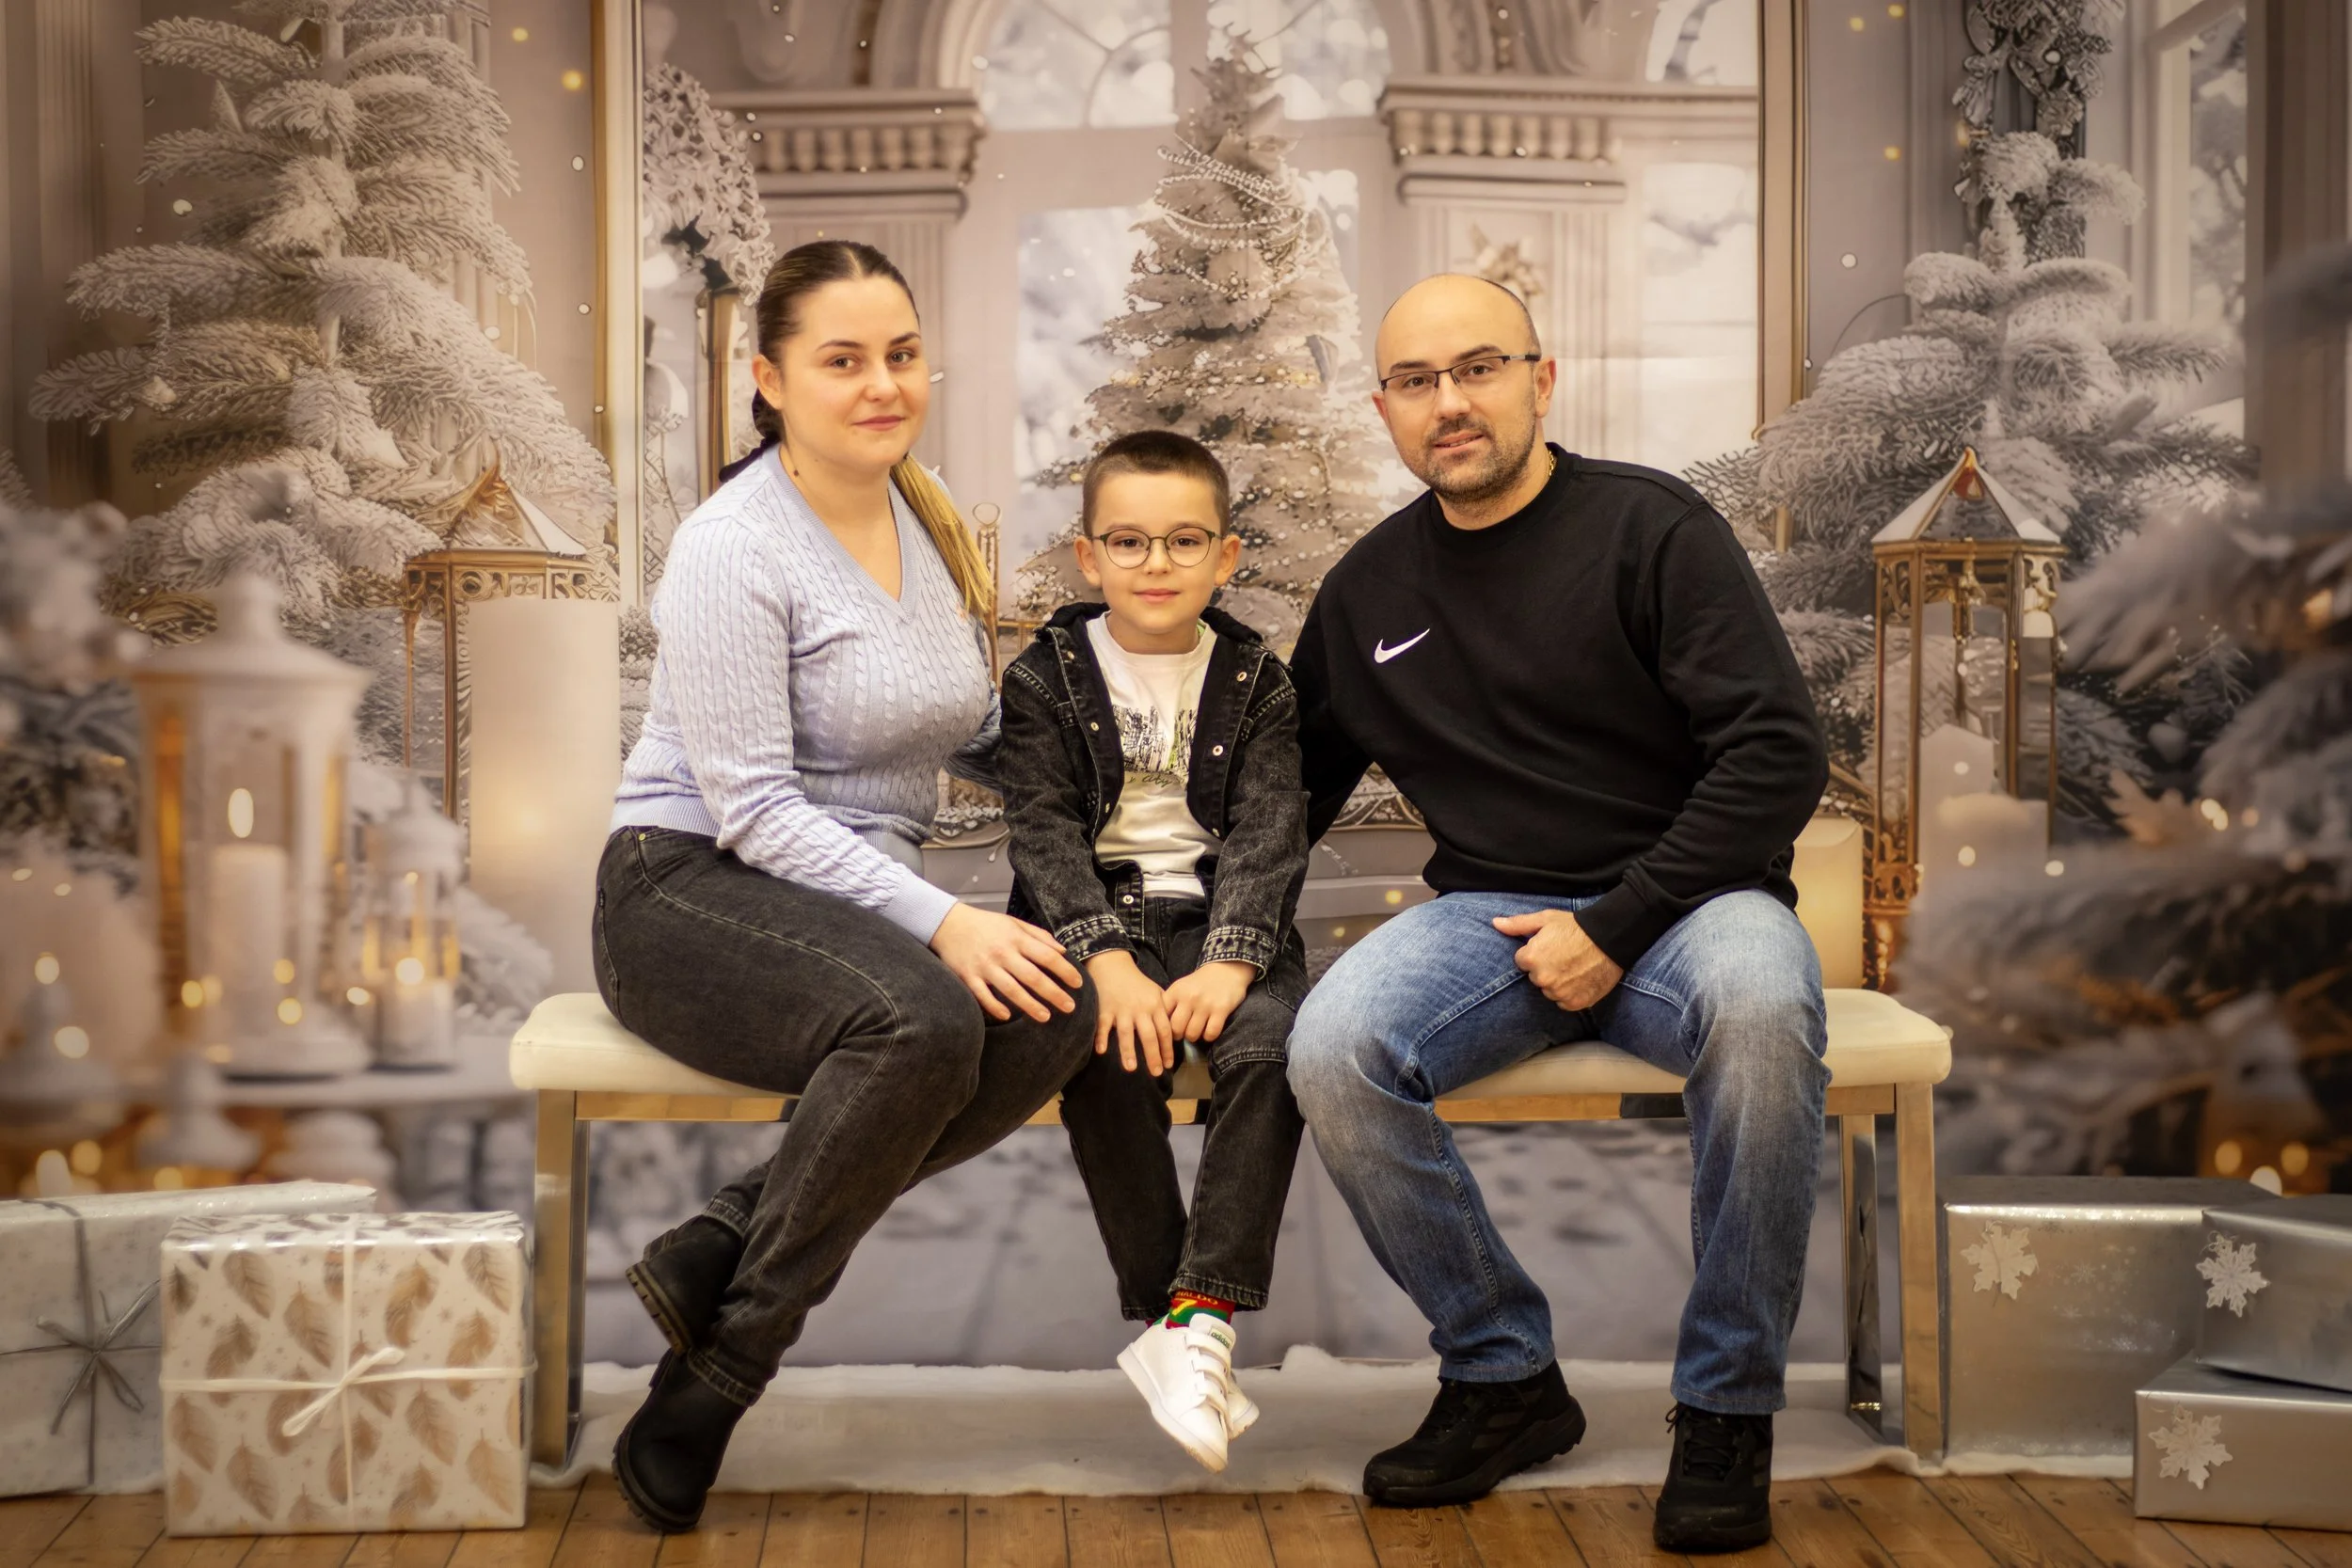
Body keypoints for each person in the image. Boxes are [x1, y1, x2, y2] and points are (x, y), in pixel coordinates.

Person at [1285, 274, 1831, 1553]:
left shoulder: (1652, 529)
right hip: (1488, 912)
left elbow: (1775, 757)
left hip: (1695, 898)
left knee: (1762, 1008)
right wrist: (1158, 931)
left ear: (1541, 377)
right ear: (1384, 410)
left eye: (1477, 368)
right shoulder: (1366, 595)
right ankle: (1502, 1375)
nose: (1450, 403)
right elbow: (1281, 798)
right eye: (1417, 383)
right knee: (1334, 1046)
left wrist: (1622, 921)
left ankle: (1726, 1407)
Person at [592, 239, 1097, 1533]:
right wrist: (945, 917)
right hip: (686, 886)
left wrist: (1112, 755)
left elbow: (951, 722)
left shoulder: (922, 510)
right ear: (768, 377)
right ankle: (721, 1371)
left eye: (902, 354)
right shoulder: (731, 545)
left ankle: (723, 1235)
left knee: (1061, 1005)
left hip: (840, 893)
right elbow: (754, 808)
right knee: (922, 1016)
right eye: (843, 360)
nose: (883, 384)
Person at [996, 430, 1311, 1473]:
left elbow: (1269, 829)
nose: (1156, 564)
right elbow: (1039, 827)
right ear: (1088, 557)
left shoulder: (1258, 677)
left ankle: (1201, 1313)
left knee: (1274, 1051)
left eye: (1184, 541)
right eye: (1127, 542)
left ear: (1225, 556)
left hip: (1226, 918)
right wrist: (1103, 960)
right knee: (1099, 1053)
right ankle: (1172, 1313)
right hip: (1099, 926)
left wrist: (1231, 958)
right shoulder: (1046, 677)